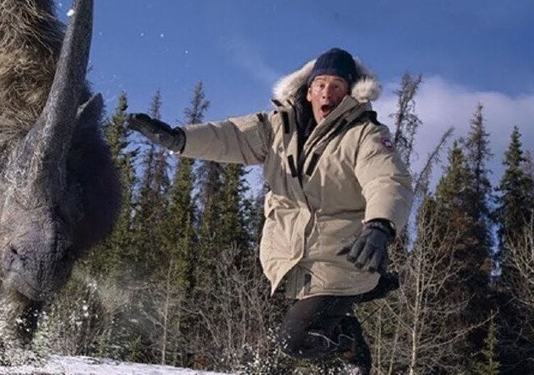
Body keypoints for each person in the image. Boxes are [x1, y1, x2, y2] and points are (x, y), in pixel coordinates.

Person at [126, 48, 412, 374]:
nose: (327, 93)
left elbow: (387, 179)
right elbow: (230, 136)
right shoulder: (278, 127)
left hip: (343, 257)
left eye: (336, 86)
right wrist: (180, 139)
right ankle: (363, 302)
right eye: (320, 85)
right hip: (291, 258)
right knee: (293, 336)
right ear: (308, 90)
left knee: (296, 340)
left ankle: (348, 339)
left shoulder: (364, 134)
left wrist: (379, 225)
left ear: (350, 93)